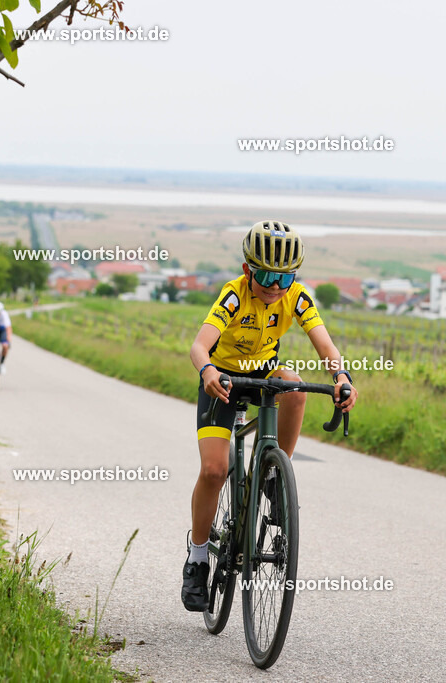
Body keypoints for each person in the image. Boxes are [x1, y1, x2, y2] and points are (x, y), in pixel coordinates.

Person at [181, 220, 358, 612]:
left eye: (285, 277)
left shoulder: (296, 297)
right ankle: (197, 558)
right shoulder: (233, 295)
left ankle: (274, 475)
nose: (276, 286)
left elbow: (325, 345)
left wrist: (342, 377)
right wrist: (207, 371)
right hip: (222, 381)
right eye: (266, 276)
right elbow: (198, 346)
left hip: (262, 374)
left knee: (294, 385)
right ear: (248, 270)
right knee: (214, 470)